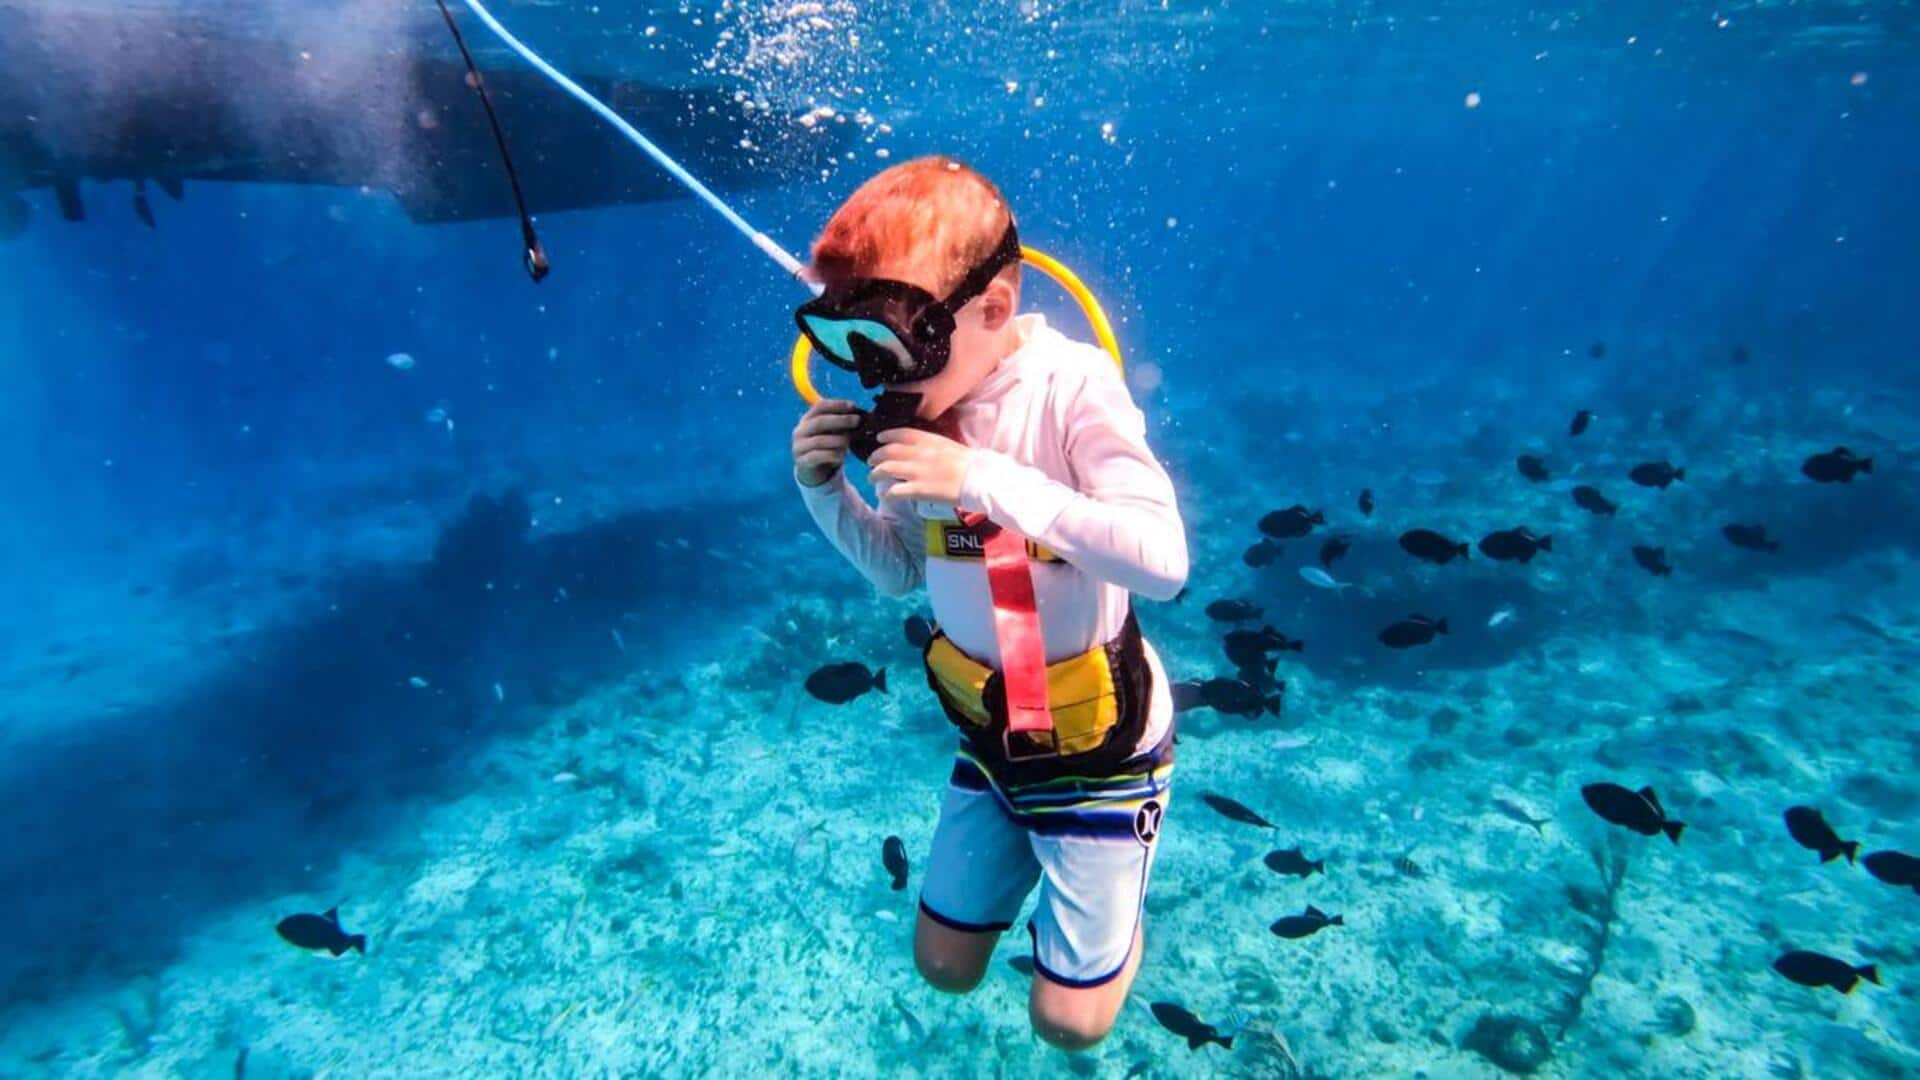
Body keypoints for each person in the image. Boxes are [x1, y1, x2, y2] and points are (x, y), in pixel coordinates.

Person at [788, 156, 1189, 1051]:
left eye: (895, 340)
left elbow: (1163, 560)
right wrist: (825, 491)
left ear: (995, 310)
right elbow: (902, 567)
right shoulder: (919, 409)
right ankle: (1066, 901)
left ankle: (1110, 918)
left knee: (1068, 1026)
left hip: (1104, 748)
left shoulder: (1070, 388)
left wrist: (981, 475)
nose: (871, 375)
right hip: (994, 741)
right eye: (845, 340)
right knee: (944, 968)